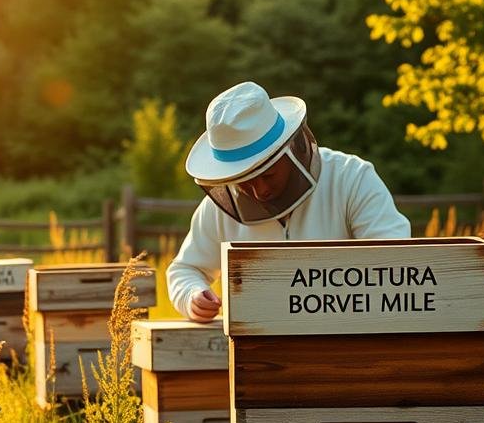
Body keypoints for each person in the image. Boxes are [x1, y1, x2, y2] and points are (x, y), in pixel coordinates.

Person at [167, 81, 411, 321]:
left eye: (268, 174)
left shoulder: (351, 178)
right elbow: (185, 270)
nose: (259, 190)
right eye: (244, 181)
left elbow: (397, 264)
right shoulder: (219, 208)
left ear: (292, 148)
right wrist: (193, 296)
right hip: (259, 354)